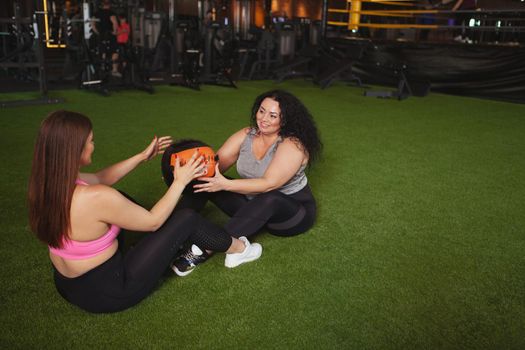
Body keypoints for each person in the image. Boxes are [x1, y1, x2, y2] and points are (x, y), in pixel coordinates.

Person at [27, 110, 262, 313]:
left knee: (124, 200)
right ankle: (240, 249)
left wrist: (141, 157)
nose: (93, 145)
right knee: (187, 219)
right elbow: (153, 222)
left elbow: (100, 177)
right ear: (72, 150)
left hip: (68, 285)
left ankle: (173, 242)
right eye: (89, 141)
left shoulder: (48, 183)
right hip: (109, 292)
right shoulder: (96, 197)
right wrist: (181, 181)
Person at [171, 90, 322, 275]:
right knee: (205, 184)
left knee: (269, 197)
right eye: (261, 111)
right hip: (253, 206)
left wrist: (225, 184)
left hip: (291, 215)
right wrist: (184, 176)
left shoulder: (292, 145)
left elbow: (269, 184)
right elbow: (215, 167)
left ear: (284, 120)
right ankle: (171, 232)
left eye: (272, 115)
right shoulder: (246, 135)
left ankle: (203, 248)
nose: (264, 118)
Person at [92, 0, 120, 76]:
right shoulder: (111, 13)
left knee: (103, 51)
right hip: (110, 34)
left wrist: (97, 32)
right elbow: (115, 22)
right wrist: (115, 31)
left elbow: (92, 24)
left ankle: (103, 67)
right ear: (109, 5)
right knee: (115, 51)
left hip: (102, 35)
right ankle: (114, 70)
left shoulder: (97, 13)